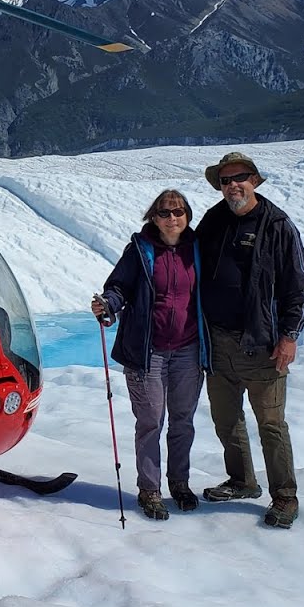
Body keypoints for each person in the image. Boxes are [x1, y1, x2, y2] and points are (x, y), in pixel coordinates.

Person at [196, 152, 304, 529]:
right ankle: (242, 481)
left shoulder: (276, 225)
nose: (233, 185)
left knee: (271, 424)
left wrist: (290, 336)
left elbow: (300, 289)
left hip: (262, 345)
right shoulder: (213, 220)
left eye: (241, 177)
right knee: (225, 419)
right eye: (226, 179)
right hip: (217, 342)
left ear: (255, 181)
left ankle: (284, 496)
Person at [92, 189, 208, 520]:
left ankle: (180, 484)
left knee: (183, 422)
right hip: (149, 353)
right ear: (153, 218)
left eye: (179, 212)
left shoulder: (198, 250)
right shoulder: (140, 251)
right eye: (165, 213)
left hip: (188, 349)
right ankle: (150, 489)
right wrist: (107, 305)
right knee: (151, 422)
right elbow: (118, 288)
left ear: (187, 215)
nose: (173, 218)